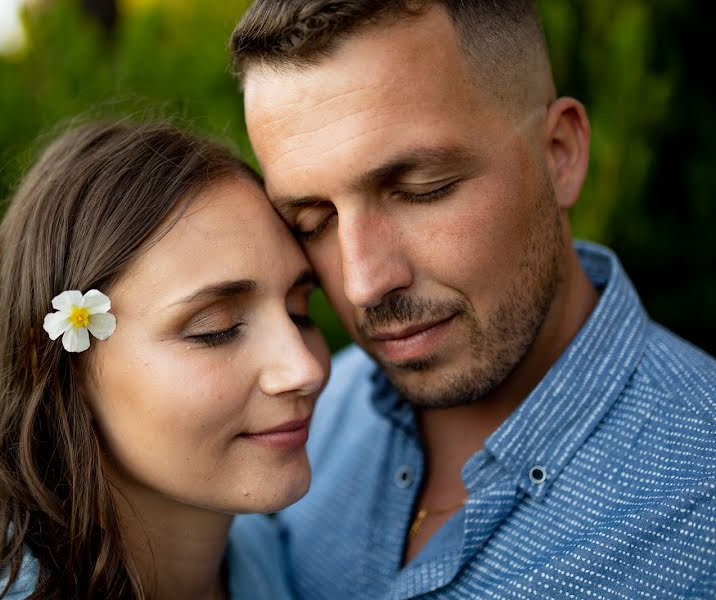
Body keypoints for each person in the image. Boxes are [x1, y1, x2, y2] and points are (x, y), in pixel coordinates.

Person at [229, 1, 716, 598]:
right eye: (312, 221)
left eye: (422, 191)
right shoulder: (313, 423)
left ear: (560, 153)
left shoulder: (701, 498)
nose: (362, 284)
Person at [0, 120, 330, 600]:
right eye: (215, 329)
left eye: (299, 311)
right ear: (64, 366)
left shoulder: (285, 562)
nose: (305, 369)